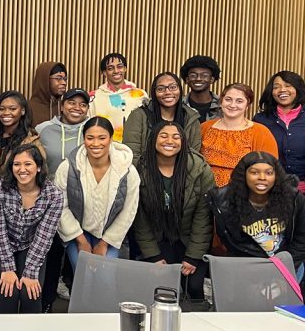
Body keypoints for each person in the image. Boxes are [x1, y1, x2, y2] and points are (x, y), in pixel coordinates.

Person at [129, 121, 215, 299]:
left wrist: (193, 256)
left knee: (194, 286)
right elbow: (139, 218)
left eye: (176, 137)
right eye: (163, 136)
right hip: (158, 238)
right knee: (163, 286)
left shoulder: (199, 169)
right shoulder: (139, 169)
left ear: (183, 142)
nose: (170, 141)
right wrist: (153, 255)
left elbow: (203, 217)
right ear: (153, 139)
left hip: (190, 239)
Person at [0, 145, 64, 314]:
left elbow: (44, 236)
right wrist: (7, 267)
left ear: (38, 167)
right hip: (0, 243)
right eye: (16, 164)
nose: (22, 169)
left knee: (31, 292)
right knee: (9, 291)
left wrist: (30, 271)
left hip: (31, 245)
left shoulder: (54, 195)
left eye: (28, 164)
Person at [55, 117, 141, 269]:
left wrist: (104, 243)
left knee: (104, 276)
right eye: (90, 138)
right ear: (83, 139)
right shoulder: (68, 167)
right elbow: (60, 206)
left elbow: (129, 211)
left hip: (109, 233)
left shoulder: (128, 171)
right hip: (78, 232)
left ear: (111, 139)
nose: (95, 144)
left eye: (102, 138)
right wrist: (81, 241)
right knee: (84, 273)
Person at [207, 152, 305, 281]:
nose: (262, 177)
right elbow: (232, 244)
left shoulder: (293, 198)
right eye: (254, 172)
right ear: (244, 175)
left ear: (276, 175)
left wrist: (286, 266)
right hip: (246, 267)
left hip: (286, 264)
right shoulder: (225, 202)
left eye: (269, 173)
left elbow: (301, 238)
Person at [36, 88, 90, 310]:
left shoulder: (92, 129)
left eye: (82, 104)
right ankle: (47, 301)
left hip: (81, 202)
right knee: (51, 253)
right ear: (62, 105)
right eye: (71, 103)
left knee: (79, 255)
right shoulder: (44, 129)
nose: (77, 108)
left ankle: (83, 306)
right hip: (48, 200)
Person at [200, 83, 278, 188]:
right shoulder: (204, 128)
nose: (232, 105)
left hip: (242, 194)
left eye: (239, 101)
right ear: (221, 101)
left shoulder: (260, 132)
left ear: (247, 105)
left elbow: (269, 170)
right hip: (204, 192)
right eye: (228, 99)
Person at [122, 72, 202, 164]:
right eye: (161, 89)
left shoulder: (191, 118)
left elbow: (193, 157)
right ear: (154, 92)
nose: (167, 92)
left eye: (173, 87)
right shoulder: (139, 115)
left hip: (183, 175)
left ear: (180, 90)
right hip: (144, 174)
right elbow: (131, 155)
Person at [253, 71, 305, 192]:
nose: (282, 90)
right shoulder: (260, 119)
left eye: (288, 86)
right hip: (271, 190)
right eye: (276, 87)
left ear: (297, 89)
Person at [87, 53, 147, 141]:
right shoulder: (94, 97)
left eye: (120, 67)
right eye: (110, 68)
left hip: (133, 146)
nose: (116, 71)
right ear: (104, 72)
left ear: (125, 68)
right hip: (103, 147)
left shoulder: (140, 95)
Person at [180, 55, 222, 123]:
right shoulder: (178, 105)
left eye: (204, 75)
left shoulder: (223, 106)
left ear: (212, 79)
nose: (198, 79)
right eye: (193, 75)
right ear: (187, 79)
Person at [29, 61, 69, 127]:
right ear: (45, 80)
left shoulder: (66, 107)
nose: (63, 82)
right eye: (58, 78)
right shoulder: (28, 108)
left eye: (65, 79)